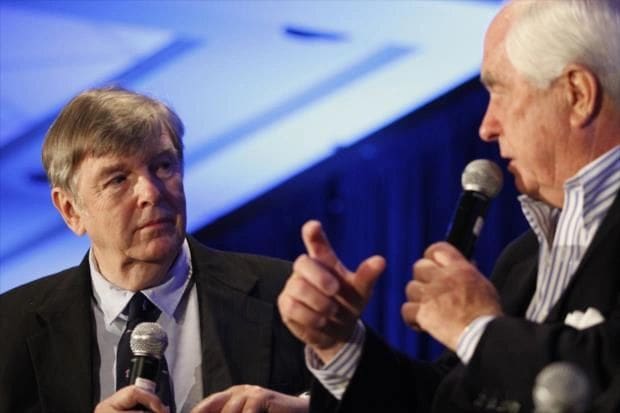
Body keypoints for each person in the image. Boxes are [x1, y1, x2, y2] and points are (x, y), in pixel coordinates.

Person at [278, 0, 620, 412]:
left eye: (500, 91)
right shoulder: (523, 259)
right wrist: (341, 343)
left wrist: (478, 328)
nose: (487, 126)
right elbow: (446, 401)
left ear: (577, 94)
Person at [0, 87, 311, 413]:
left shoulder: (283, 294)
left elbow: (363, 399)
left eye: (163, 166)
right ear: (71, 211)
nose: (151, 192)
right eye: (118, 179)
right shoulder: (10, 329)